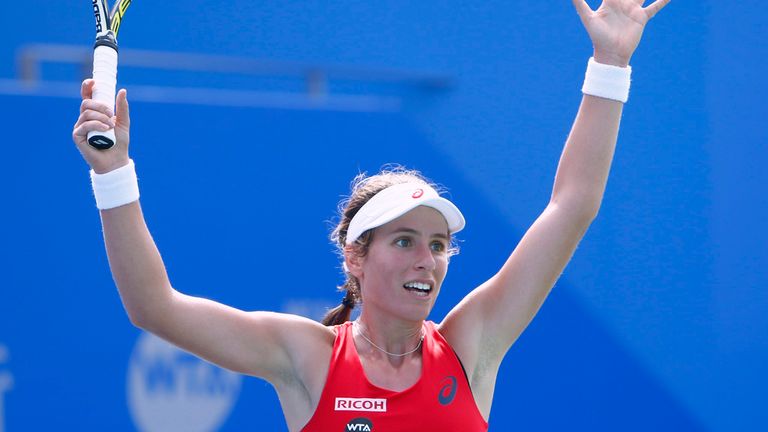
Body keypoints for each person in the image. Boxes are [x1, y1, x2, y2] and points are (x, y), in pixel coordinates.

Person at [71, 1, 671, 430]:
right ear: (355, 257)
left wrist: (610, 65)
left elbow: (573, 206)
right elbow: (153, 307)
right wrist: (113, 175)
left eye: (437, 245)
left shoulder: (471, 346)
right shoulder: (305, 357)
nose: (427, 260)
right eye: (405, 241)